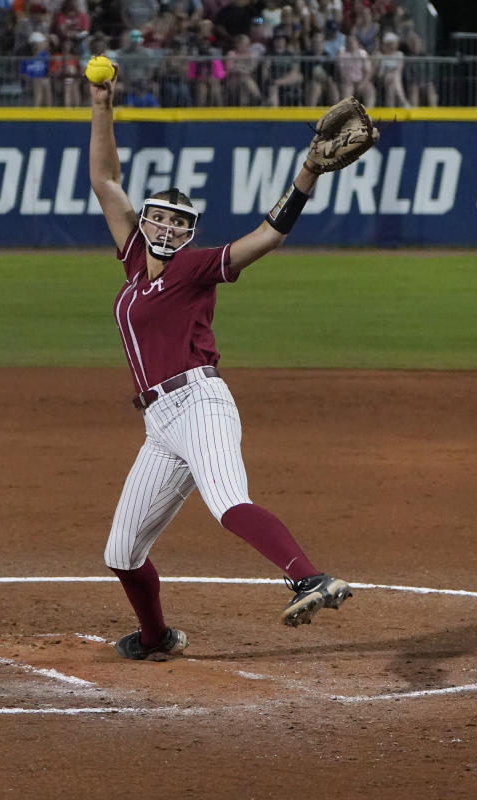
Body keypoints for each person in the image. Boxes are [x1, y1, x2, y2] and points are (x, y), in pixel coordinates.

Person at [87, 69, 357, 661]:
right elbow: (105, 178)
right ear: (147, 221)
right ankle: (156, 637)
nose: (165, 227)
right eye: (158, 217)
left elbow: (267, 236)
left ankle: (309, 578)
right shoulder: (134, 263)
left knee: (229, 502)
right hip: (160, 424)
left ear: (188, 235)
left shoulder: (197, 267)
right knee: (122, 550)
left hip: (200, 403)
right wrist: (100, 102)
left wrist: (307, 173)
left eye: (178, 223)